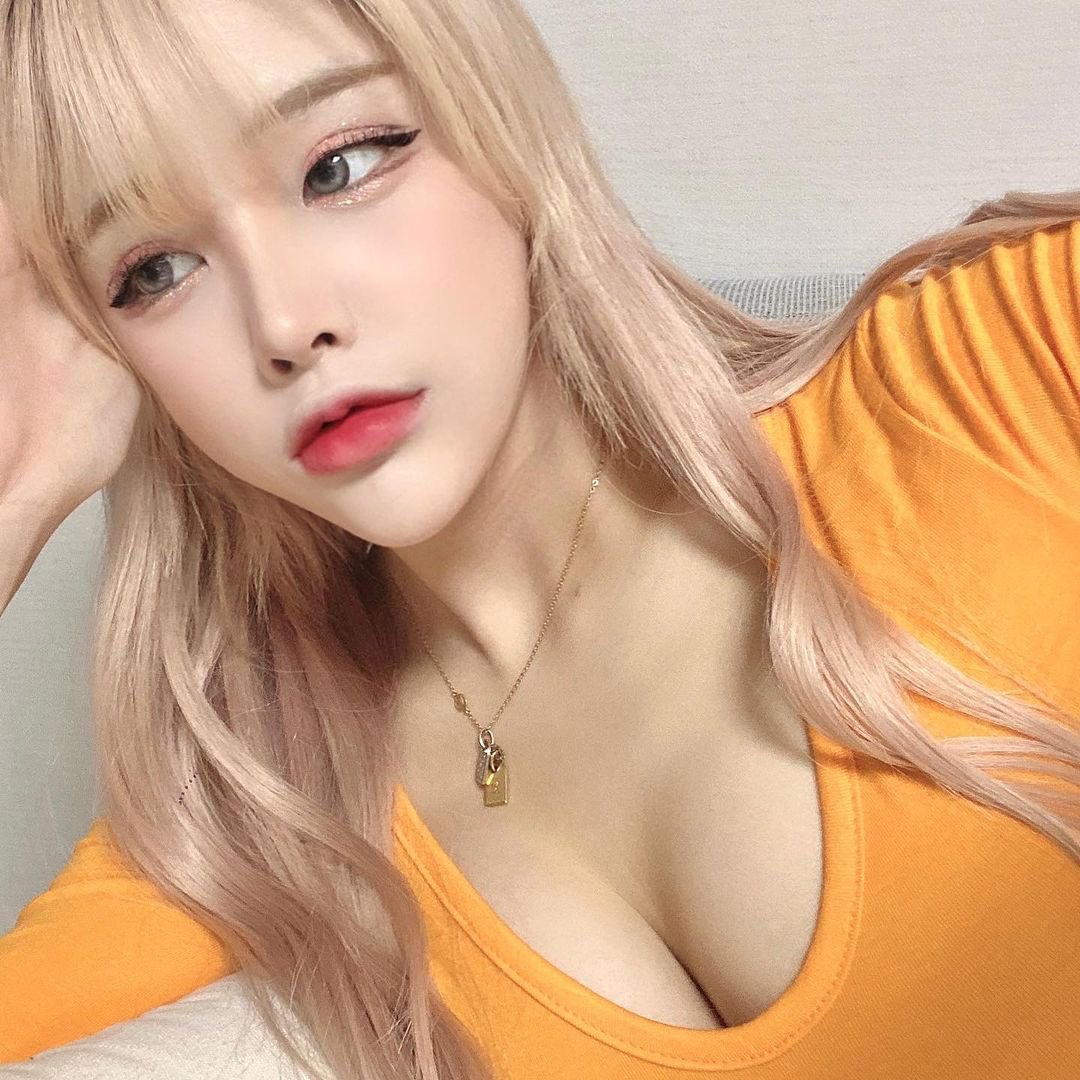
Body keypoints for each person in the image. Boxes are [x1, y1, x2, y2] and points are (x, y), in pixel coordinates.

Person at [0, 0, 1077, 1076]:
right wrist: (22, 480)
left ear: (500, 130)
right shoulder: (253, 827)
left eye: (340, 166)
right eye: (154, 272)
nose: (286, 327)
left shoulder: (1006, 374)